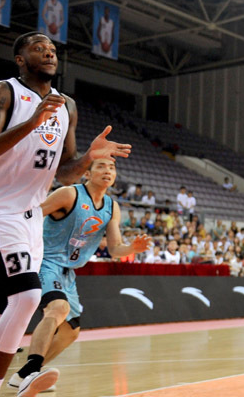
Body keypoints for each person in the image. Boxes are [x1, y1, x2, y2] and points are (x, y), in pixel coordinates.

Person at [0, 32, 130, 397]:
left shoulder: (66, 106)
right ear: (20, 58)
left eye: (52, 49)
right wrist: (30, 124)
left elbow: (64, 172)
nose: (48, 52)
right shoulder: (4, 92)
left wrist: (89, 159)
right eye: (38, 48)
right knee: (28, 298)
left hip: (29, 216)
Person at [8, 159, 150, 392]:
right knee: (58, 309)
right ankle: (33, 370)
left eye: (112, 168)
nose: (107, 171)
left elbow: (115, 249)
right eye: (102, 166)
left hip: (69, 272)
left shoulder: (111, 207)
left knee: (70, 331)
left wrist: (132, 248)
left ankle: (22, 375)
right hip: (45, 262)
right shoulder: (69, 194)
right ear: (87, 173)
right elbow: (31, 215)